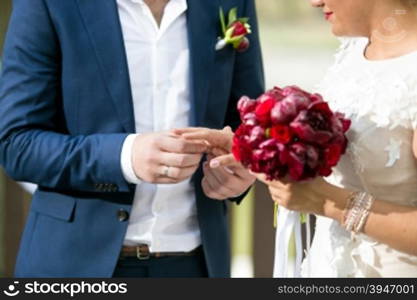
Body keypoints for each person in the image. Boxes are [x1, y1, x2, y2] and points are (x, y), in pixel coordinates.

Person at [0, 0, 264, 277]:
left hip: (198, 265)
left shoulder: (232, 3)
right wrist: (125, 157)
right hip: (76, 265)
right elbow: (17, 143)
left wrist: (243, 165)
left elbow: (249, 125)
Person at [178, 0, 417, 277]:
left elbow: (329, 194)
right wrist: (257, 153)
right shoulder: (355, 50)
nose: (314, 2)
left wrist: (328, 203)